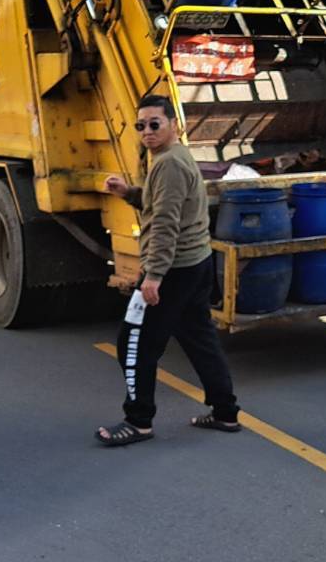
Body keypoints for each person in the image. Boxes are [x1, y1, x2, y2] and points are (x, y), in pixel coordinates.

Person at [96, 94, 240, 447]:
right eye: (141, 125)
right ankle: (225, 412)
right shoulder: (174, 157)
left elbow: (164, 222)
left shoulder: (168, 163)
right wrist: (129, 193)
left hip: (174, 270)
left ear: (174, 125)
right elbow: (163, 202)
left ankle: (138, 420)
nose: (147, 131)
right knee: (199, 339)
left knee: (134, 343)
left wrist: (154, 275)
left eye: (154, 124)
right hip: (195, 264)